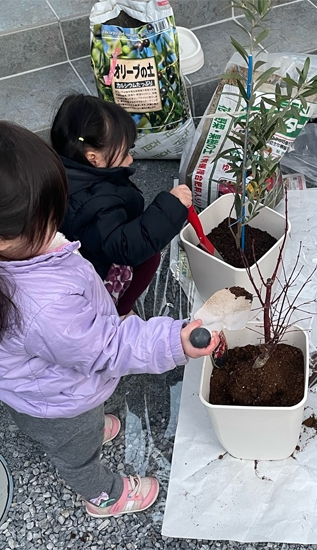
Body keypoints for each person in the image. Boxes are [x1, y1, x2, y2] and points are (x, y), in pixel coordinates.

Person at [0, 121, 219, 517]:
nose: (55, 226)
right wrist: (174, 341)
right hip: (57, 402)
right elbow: (106, 346)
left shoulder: (20, 255)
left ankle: (82, 431)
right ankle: (104, 496)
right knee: (76, 457)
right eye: (44, 219)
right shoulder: (41, 307)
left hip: (42, 383)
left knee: (77, 426)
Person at [50, 94, 193, 317]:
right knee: (149, 257)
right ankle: (117, 313)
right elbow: (125, 247)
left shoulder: (62, 172)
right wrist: (171, 206)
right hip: (93, 280)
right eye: (124, 152)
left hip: (81, 256)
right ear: (93, 157)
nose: (130, 160)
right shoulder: (95, 201)